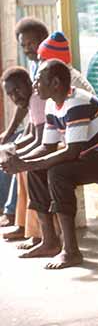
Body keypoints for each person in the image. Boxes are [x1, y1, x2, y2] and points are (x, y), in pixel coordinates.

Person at [0, 60, 98, 269]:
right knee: (36, 171)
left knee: (58, 173)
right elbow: (47, 147)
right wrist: (24, 163)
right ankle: (49, 241)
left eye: (38, 80)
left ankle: (71, 251)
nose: (35, 86)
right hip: (95, 155)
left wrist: (25, 163)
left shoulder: (77, 102)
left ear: (55, 83)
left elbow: (71, 152)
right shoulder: (51, 103)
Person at [3, 26, 92, 246]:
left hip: (90, 148)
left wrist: (29, 161)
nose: (36, 78)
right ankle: (44, 238)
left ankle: (53, 239)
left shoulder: (74, 91)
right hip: (71, 142)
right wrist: (25, 159)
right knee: (31, 167)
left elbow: (72, 148)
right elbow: (45, 139)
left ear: (55, 75)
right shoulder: (52, 98)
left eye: (43, 67)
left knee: (47, 171)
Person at [0, 67, 33, 227]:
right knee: (4, 148)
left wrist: (14, 147)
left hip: (60, 141)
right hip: (39, 134)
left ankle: (11, 213)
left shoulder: (39, 95)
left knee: (14, 156)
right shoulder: (30, 95)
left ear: (29, 83)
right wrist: (7, 135)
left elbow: (38, 133)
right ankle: (3, 206)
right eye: (10, 94)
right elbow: (23, 108)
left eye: (17, 90)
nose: (14, 96)